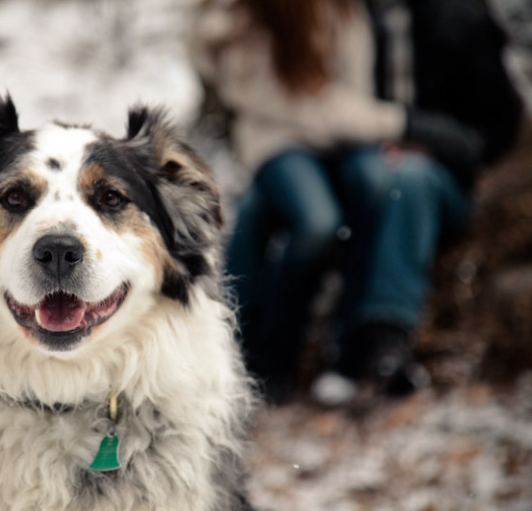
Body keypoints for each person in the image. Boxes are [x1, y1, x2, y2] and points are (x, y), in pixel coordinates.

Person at [191, 0, 522, 403]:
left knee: (358, 193)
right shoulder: (251, 17)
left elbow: (353, 93)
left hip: (342, 144)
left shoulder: (358, 13)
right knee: (299, 218)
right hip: (280, 145)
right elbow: (287, 99)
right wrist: (401, 126)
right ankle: (255, 356)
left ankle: (344, 353)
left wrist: (428, 141)